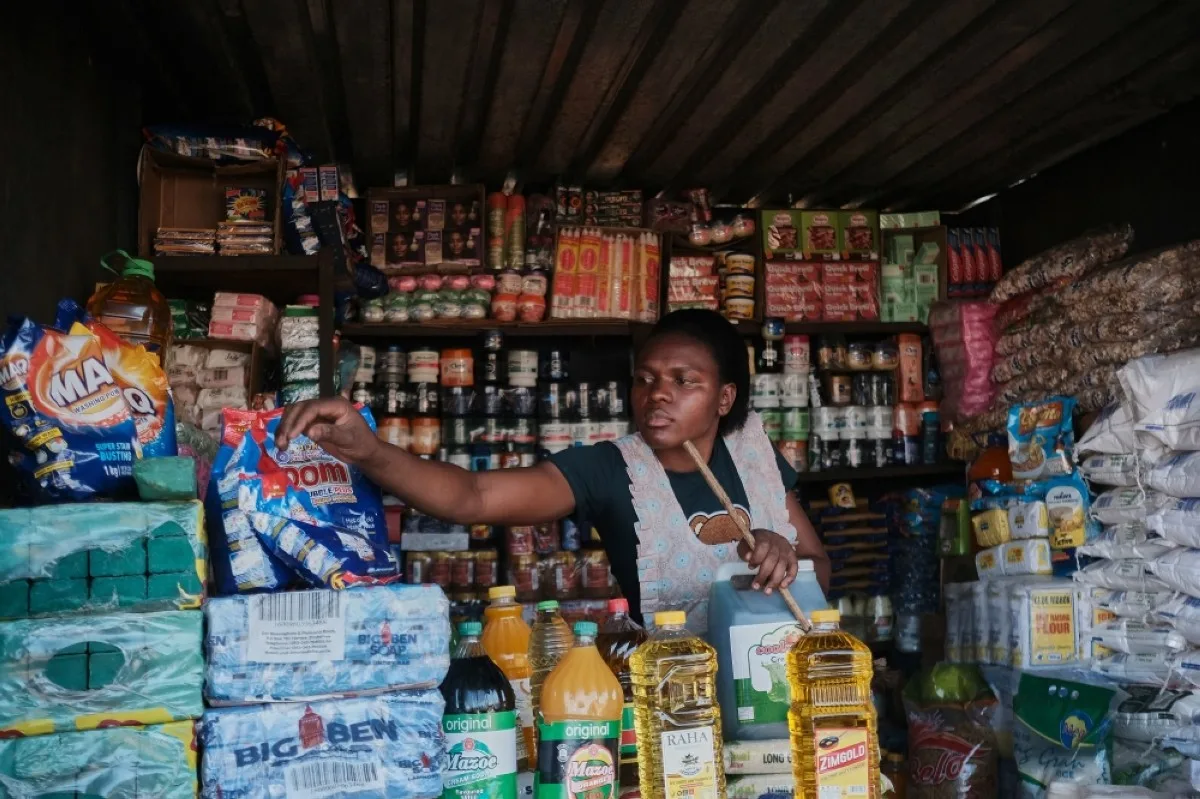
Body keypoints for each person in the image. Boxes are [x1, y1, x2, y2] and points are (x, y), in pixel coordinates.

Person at [277, 310, 830, 629]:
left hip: (776, 677)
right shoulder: (609, 469)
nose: (657, 395)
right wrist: (368, 450)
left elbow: (818, 566)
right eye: (646, 379)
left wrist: (786, 558)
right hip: (674, 700)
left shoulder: (754, 455)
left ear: (725, 397)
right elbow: (473, 497)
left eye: (684, 381)